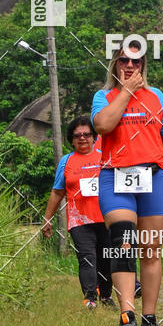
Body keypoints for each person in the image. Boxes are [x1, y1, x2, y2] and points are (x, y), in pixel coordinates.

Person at [92, 40, 163, 326]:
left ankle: (150, 317)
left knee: (151, 249)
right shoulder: (104, 96)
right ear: (115, 64)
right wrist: (126, 92)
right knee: (123, 239)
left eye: (136, 62)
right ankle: (126, 314)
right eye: (124, 60)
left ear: (143, 66)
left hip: (153, 177)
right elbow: (102, 125)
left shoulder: (156, 97)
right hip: (115, 177)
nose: (130, 66)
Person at [42, 115, 114, 309]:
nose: (82, 138)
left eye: (86, 134)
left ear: (94, 137)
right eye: (77, 135)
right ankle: (90, 297)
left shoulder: (104, 155)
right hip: (79, 220)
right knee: (87, 257)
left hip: (106, 217)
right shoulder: (67, 161)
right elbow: (58, 191)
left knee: (106, 257)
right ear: (71, 139)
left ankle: (106, 296)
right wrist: (47, 219)